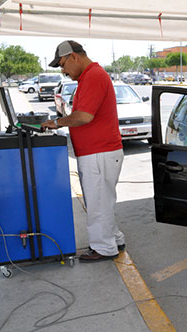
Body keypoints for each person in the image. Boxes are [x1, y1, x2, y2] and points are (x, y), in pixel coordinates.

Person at [41, 40, 125, 262]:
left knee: (97, 203)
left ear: (73, 57)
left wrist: (56, 123)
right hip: (99, 153)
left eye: (62, 64)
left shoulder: (93, 76)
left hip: (99, 153)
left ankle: (104, 248)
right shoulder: (90, 76)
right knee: (102, 201)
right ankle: (114, 239)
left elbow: (83, 116)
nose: (63, 70)